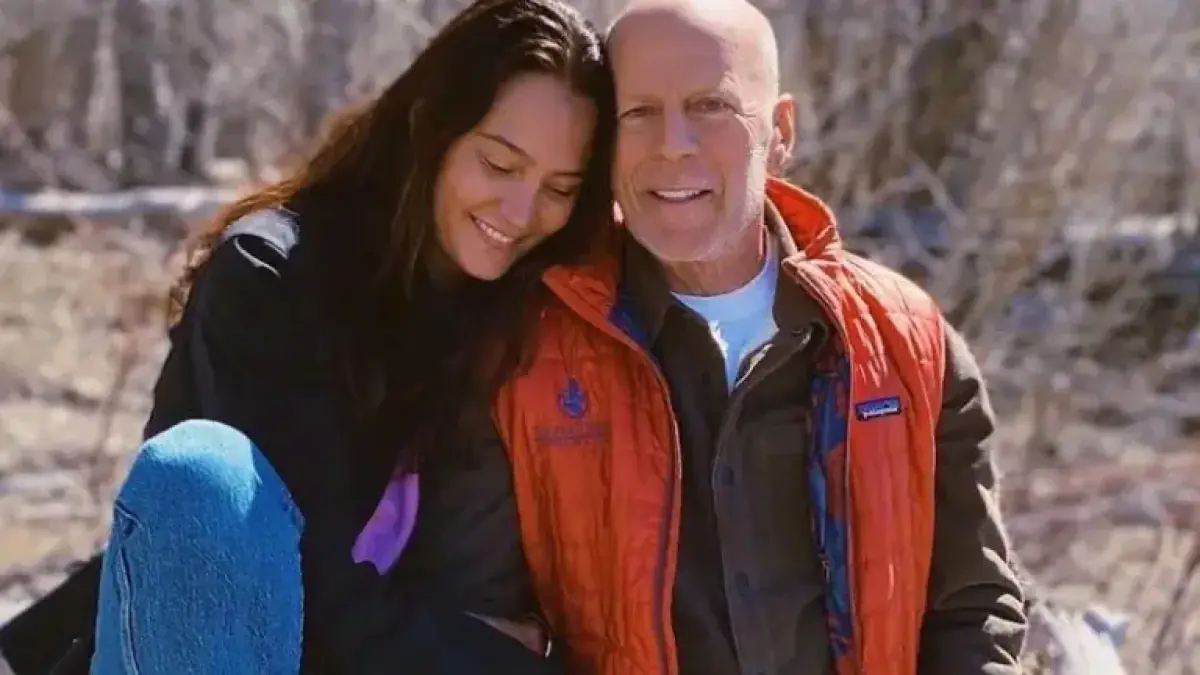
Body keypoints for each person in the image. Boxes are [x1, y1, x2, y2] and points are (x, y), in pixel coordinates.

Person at [0, 0, 614, 673]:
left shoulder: (507, 315)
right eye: (499, 163)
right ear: (430, 127)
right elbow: (309, 589)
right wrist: (509, 659)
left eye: (560, 188)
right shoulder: (272, 280)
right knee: (206, 472)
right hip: (212, 650)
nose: (522, 211)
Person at [480, 0, 1029, 673]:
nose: (673, 144)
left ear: (780, 132)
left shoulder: (905, 341)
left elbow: (972, 606)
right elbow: (482, 620)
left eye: (710, 106)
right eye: (638, 112)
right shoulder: (523, 354)